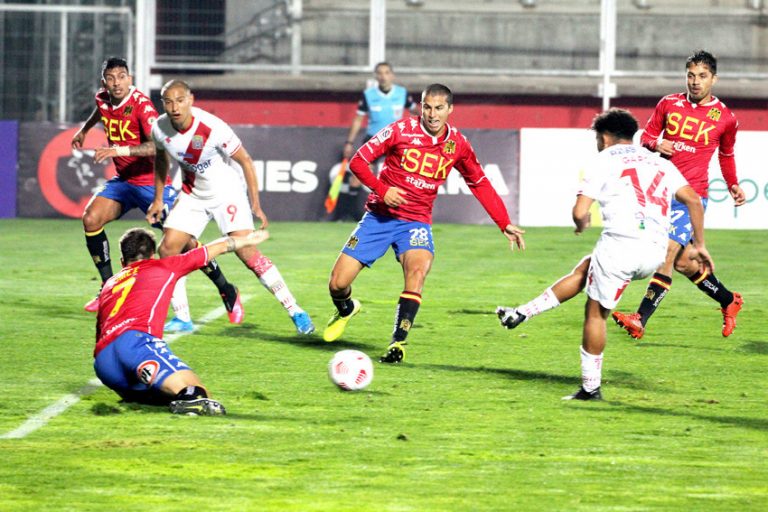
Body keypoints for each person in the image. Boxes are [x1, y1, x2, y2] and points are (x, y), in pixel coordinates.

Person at [496, 109, 714, 400]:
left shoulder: (602, 160)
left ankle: (590, 389)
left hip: (621, 246)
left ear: (604, 137)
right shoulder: (658, 162)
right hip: (655, 252)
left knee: (595, 314)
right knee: (587, 268)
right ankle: (521, 313)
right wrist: (699, 244)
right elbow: (693, 200)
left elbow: (579, 211)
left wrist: (580, 222)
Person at [323, 83, 526, 363]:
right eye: (427, 107)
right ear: (421, 106)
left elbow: (478, 181)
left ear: (450, 110)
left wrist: (504, 222)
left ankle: (398, 343)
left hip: (416, 222)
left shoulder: (458, 144)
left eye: (439, 108)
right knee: (337, 283)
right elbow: (358, 162)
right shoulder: (400, 130)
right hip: (379, 217)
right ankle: (345, 309)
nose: (432, 114)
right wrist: (383, 190)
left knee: (417, 273)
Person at [71, 57, 243, 331]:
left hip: (151, 183)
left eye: (121, 77)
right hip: (124, 181)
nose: (116, 83)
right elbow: (100, 110)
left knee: (183, 243)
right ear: (104, 81)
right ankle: (108, 288)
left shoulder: (141, 106)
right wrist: (85, 129)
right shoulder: (102, 98)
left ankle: (226, 289)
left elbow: (155, 146)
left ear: (130, 78)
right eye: (111, 78)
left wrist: (118, 150)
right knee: (91, 219)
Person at [146, 80, 314, 334]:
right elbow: (161, 160)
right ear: (163, 103)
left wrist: (256, 204)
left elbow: (245, 160)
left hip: (227, 194)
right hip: (193, 195)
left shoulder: (212, 127)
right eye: (168, 101)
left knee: (247, 253)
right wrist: (158, 199)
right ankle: (182, 318)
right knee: (168, 249)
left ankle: (295, 310)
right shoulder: (159, 128)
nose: (174, 106)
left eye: (180, 100)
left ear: (191, 99)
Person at [612, 50, 745, 340]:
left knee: (667, 253)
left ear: (714, 78)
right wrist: (657, 144)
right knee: (685, 263)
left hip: (691, 196)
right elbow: (645, 137)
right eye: (690, 75)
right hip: (660, 194)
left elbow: (726, 154)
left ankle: (640, 318)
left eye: (702, 76)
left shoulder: (725, 118)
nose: (695, 82)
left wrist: (733, 183)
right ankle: (728, 300)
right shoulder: (668, 104)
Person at [94, 227, 268, 415]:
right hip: (136, 344)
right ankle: (189, 401)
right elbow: (215, 248)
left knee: (162, 395)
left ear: (122, 261)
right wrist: (247, 240)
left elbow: (100, 330)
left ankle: (149, 397)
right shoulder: (164, 266)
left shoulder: (109, 284)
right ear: (152, 255)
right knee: (199, 393)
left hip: (104, 363)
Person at [334, 62, 417, 221]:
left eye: (386, 72)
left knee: (407, 175)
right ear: (376, 76)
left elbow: (416, 111)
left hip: (396, 139)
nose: (383, 76)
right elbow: (358, 120)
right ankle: (349, 213)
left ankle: (406, 212)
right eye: (380, 73)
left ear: (392, 75)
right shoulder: (369, 95)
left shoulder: (402, 93)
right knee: (358, 174)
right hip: (374, 139)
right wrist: (349, 142)